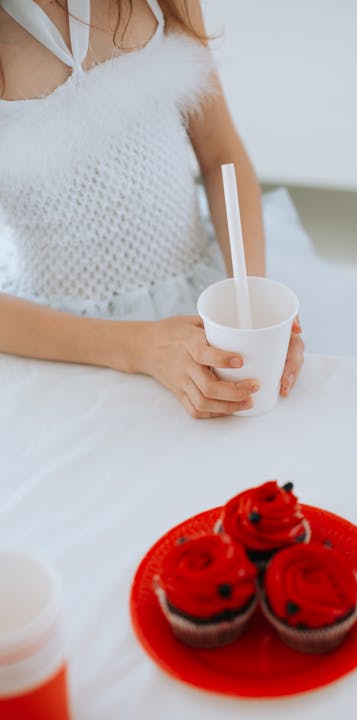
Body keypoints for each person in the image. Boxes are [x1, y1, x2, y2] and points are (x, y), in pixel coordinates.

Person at [0, 0, 305, 419]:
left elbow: (221, 155)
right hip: (58, 341)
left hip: (202, 298)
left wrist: (247, 304)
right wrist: (137, 346)